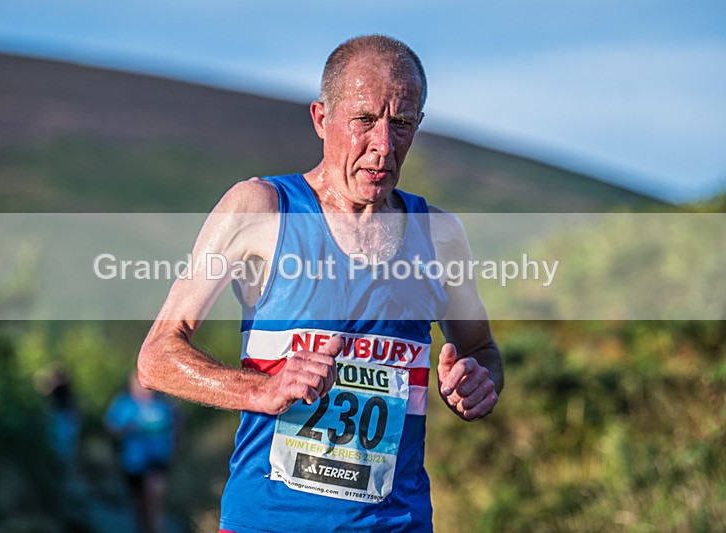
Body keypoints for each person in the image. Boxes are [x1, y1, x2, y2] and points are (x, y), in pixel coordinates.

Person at [137, 34, 504, 532]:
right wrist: (262, 390)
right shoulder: (261, 208)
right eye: (364, 120)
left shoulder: (438, 235)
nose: (383, 145)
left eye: (401, 124)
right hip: (267, 522)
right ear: (320, 119)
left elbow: (481, 351)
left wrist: (475, 385)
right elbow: (158, 356)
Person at [104, 371, 180, 533]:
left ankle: (157, 528)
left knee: (155, 496)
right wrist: (126, 430)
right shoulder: (123, 404)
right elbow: (112, 430)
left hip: (158, 459)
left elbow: (176, 427)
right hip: (132, 462)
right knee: (138, 503)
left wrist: (175, 447)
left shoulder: (164, 404)